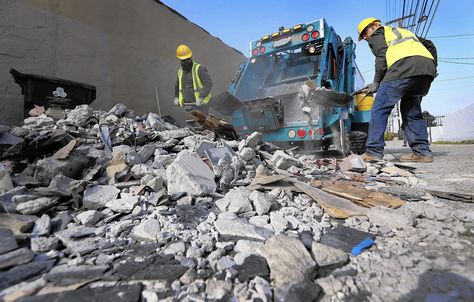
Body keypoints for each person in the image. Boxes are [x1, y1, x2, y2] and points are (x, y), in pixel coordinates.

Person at [357, 18, 437, 163]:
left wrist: (376, 82)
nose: (365, 37)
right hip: (425, 71)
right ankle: (422, 152)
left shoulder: (378, 33)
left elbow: (382, 55)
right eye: (363, 36)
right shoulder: (404, 32)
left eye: (364, 33)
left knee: (379, 108)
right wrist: (433, 66)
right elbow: (430, 45)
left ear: (375, 25)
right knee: (412, 112)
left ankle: (374, 152)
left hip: (402, 68)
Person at [174, 44, 212, 112]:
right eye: (184, 60)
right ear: (180, 60)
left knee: (201, 122)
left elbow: (208, 84)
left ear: (191, 57)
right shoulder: (180, 72)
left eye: (188, 59)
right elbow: (177, 86)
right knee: (189, 122)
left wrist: (201, 97)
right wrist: (176, 97)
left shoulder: (199, 69)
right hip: (187, 106)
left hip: (200, 106)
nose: (186, 62)